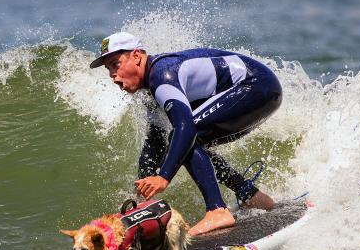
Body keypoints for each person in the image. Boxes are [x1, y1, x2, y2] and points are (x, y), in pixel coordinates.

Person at [90, 32, 281, 236]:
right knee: (187, 142)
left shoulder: (162, 77)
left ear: (136, 56)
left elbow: (186, 129)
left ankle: (217, 210)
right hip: (258, 89)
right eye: (108, 68)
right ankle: (251, 196)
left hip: (257, 86)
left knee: (188, 135)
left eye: (115, 64)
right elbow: (155, 142)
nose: (112, 74)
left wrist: (163, 177)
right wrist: (140, 200)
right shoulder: (151, 92)